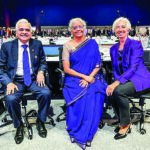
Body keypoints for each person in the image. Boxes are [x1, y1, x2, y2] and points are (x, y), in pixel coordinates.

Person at [0, 19, 51, 144]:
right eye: (21, 30)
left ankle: (40, 120)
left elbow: (43, 63)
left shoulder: (37, 44)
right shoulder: (7, 46)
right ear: (16, 32)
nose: (24, 32)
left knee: (46, 93)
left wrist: (40, 72)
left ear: (31, 32)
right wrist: (8, 83)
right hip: (15, 80)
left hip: (33, 79)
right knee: (11, 99)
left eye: (27, 30)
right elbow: (0, 68)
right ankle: (18, 126)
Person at [62, 18, 107, 149]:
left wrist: (90, 77)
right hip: (74, 77)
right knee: (80, 94)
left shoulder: (92, 43)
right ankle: (75, 129)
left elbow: (98, 65)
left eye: (80, 26)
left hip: (93, 76)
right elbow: (66, 69)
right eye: (75, 27)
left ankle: (88, 133)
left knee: (94, 92)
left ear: (85, 28)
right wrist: (84, 77)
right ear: (71, 30)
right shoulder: (67, 46)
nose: (78, 29)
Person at [106, 17, 150, 140]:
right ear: (114, 30)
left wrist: (116, 84)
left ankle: (125, 124)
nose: (120, 29)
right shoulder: (113, 48)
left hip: (140, 78)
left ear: (128, 29)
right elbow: (115, 69)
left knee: (119, 91)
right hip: (125, 79)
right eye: (117, 27)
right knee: (109, 90)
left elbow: (133, 67)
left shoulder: (135, 45)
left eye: (123, 27)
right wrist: (114, 82)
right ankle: (121, 119)